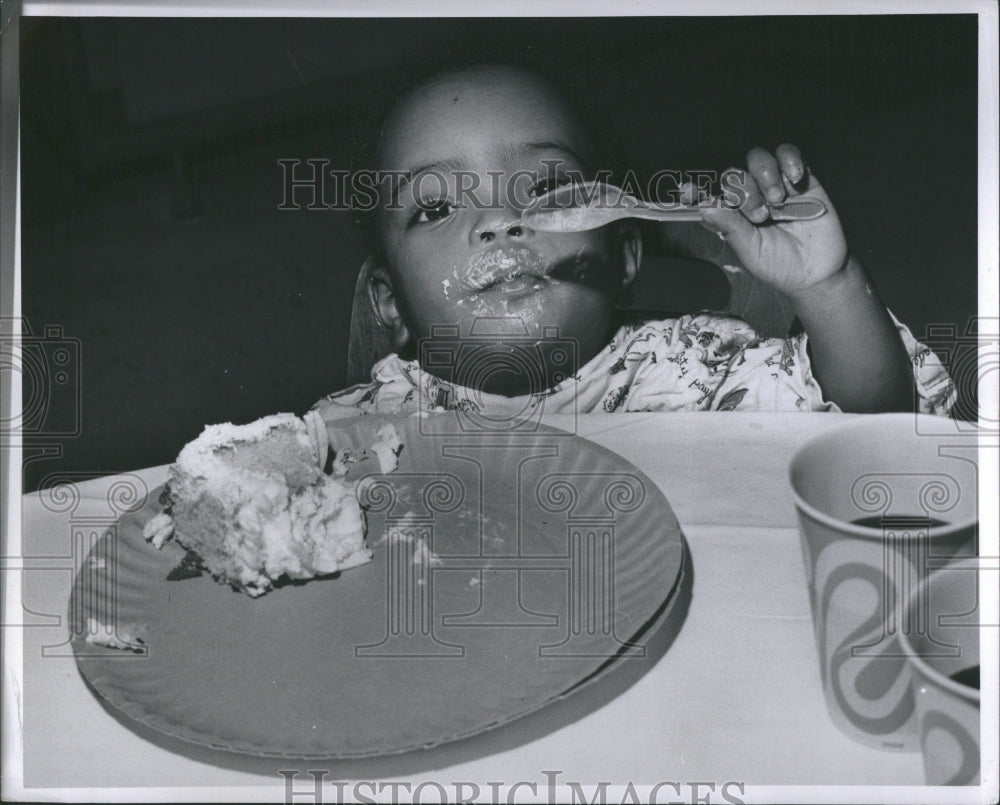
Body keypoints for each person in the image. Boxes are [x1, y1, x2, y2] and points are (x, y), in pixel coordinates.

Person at [314, 64, 954, 420]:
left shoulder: (695, 371)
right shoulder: (360, 427)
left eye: (549, 188)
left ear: (625, 256)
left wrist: (829, 286)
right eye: (435, 207)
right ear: (390, 303)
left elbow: (878, 424)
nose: (501, 219)